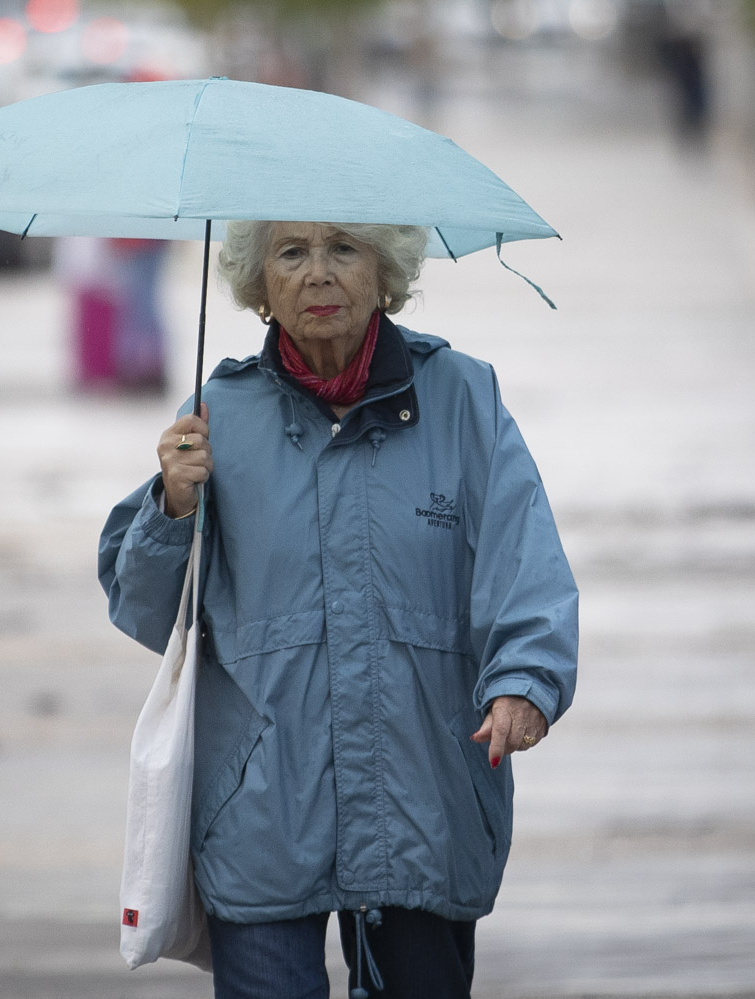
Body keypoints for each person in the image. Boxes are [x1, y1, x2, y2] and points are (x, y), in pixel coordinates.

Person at [98, 221, 579, 999]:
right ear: (262, 285)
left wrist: (524, 679)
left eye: (344, 250)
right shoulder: (217, 412)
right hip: (258, 802)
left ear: (384, 271)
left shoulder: (461, 396)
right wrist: (173, 502)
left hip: (427, 790)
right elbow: (145, 606)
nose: (319, 274)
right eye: (291, 254)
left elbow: (525, 559)